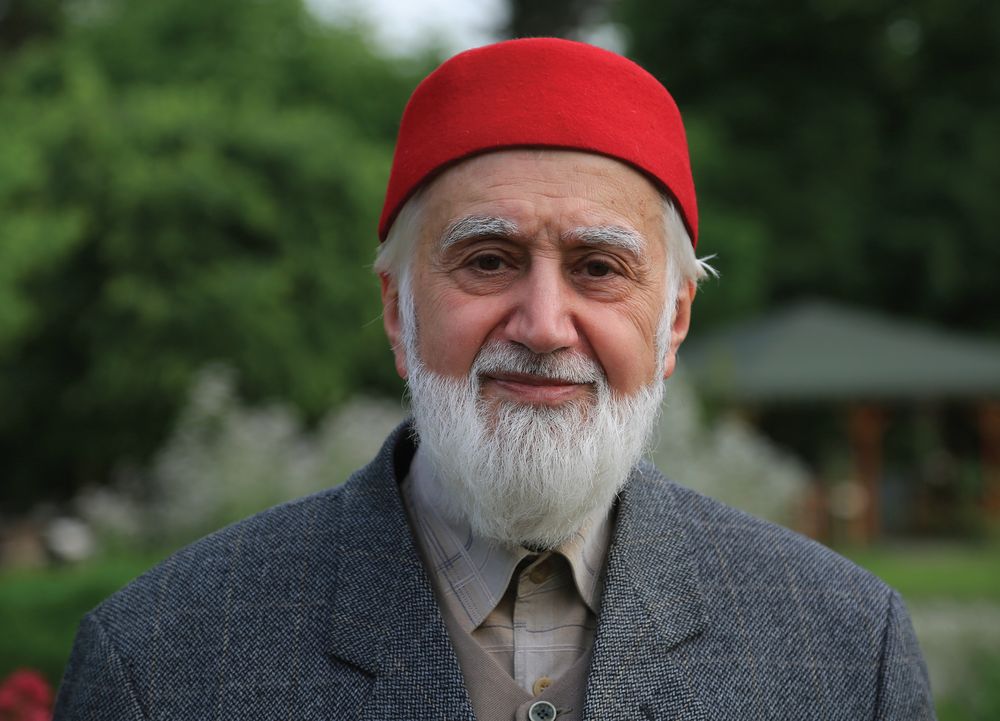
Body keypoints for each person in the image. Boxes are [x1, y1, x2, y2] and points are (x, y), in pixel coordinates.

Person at [54, 38, 935, 721]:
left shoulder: (846, 649)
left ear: (672, 322)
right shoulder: (162, 661)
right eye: (487, 260)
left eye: (598, 268)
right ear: (398, 311)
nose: (544, 325)